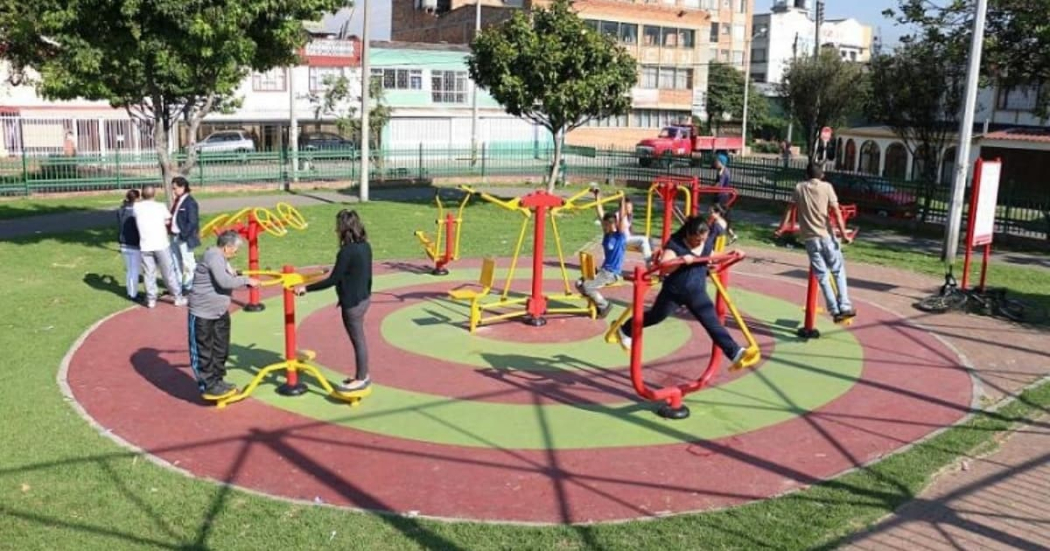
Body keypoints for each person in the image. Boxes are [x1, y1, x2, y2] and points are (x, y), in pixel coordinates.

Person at [617, 216, 759, 371]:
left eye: (703, 239)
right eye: (697, 240)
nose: (701, 242)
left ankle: (735, 354)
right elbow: (664, 267)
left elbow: (711, 254)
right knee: (655, 317)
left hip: (697, 292)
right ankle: (625, 329)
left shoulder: (704, 243)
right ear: (688, 235)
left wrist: (732, 254)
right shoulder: (675, 244)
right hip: (674, 292)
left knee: (712, 323)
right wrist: (681, 260)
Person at [295, 210, 373, 392]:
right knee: (359, 339)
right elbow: (363, 273)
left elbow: (332, 280)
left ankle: (361, 378)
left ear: (343, 229)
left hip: (352, 304)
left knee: (358, 340)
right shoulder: (365, 246)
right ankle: (362, 375)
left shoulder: (346, 252)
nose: (335, 230)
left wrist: (305, 288)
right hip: (364, 298)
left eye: (338, 227)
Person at [779, 162, 856, 323]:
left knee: (822, 276)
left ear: (806, 175)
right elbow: (835, 211)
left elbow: (789, 209)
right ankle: (845, 306)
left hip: (810, 239)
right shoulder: (827, 187)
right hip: (827, 236)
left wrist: (781, 227)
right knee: (838, 271)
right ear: (821, 175)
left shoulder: (799, 188)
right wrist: (844, 234)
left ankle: (835, 311)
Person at [188, 230, 260, 398]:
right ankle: (208, 384)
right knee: (204, 350)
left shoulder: (219, 257)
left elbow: (223, 273)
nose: (236, 252)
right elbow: (224, 282)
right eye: (235, 249)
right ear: (227, 247)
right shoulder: (214, 256)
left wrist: (231, 271)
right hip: (202, 313)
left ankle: (218, 379)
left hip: (219, 312)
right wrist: (247, 280)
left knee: (221, 348)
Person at [577, 191, 627, 318]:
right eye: (603, 224)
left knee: (587, 287)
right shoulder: (606, 234)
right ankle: (597, 304)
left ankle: (604, 306)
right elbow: (600, 213)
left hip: (612, 273)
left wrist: (621, 200)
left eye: (605, 225)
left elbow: (621, 217)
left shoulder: (619, 236)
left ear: (612, 224)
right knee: (579, 283)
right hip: (603, 270)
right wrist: (597, 196)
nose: (603, 227)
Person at [134, 185, 186, 308]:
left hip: (145, 245)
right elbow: (168, 220)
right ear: (154, 195)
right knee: (168, 272)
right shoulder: (160, 206)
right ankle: (177, 297)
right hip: (161, 244)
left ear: (142, 195)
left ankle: (151, 299)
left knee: (149, 272)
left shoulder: (137, 207)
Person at [169, 176, 200, 292]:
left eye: (175, 188)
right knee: (175, 261)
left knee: (188, 262)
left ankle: (189, 285)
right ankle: (178, 284)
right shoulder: (178, 200)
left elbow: (192, 222)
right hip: (174, 236)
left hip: (183, 237)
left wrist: (183, 236)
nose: (173, 191)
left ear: (183, 187)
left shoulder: (190, 202)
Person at [117, 189, 142, 301]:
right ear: (136, 198)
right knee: (134, 270)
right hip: (134, 244)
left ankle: (130, 291)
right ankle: (133, 294)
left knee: (129, 270)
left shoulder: (122, 210)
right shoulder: (136, 211)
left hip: (123, 243)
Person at [712, 154, 738, 243]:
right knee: (721, 216)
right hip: (722, 196)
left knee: (717, 215)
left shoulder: (723, 172)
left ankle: (718, 236)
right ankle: (731, 234)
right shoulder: (723, 171)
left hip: (721, 197)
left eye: (717, 161)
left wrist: (711, 188)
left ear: (721, 162)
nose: (715, 163)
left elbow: (720, 185)